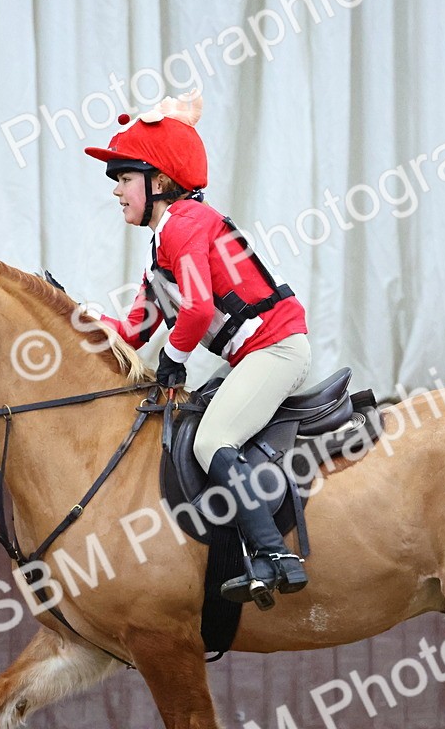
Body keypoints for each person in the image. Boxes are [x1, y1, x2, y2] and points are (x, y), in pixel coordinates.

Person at [84, 92, 313, 604]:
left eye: (123, 179)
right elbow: (135, 328)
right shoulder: (165, 240)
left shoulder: (186, 225)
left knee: (212, 442)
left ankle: (276, 554)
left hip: (276, 351)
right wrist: (72, 318)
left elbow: (198, 310)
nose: (117, 191)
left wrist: (174, 362)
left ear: (158, 183)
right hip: (258, 354)